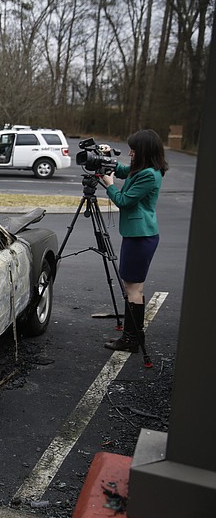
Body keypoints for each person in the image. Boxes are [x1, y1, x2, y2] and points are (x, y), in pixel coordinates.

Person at [101, 129, 168, 352]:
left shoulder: (149, 175)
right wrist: (108, 158)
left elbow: (124, 201)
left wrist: (109, 184)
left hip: (141, 236)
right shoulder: (143, 169)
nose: (130, 153)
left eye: (134, 149)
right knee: (134, 286)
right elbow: (122, 170)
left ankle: (131, 340)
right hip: (138, 235)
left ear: (144, 151)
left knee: (132, 287)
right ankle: (134, 337)